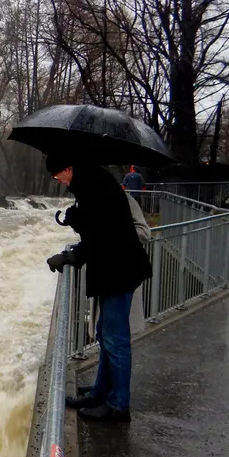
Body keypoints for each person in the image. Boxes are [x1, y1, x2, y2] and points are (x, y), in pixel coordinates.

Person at [44, 156, 152, 423]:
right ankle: (101, 392)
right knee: (106, 334)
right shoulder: (92, 183)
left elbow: (104, 234)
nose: (58, 181)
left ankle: (118, 406)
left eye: (57, 175)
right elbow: (100, 230)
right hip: (115, 270)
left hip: (118, 271)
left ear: (68, 168)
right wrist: (78, 226)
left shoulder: (95, 185)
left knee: (116, 340)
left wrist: (73, 245)